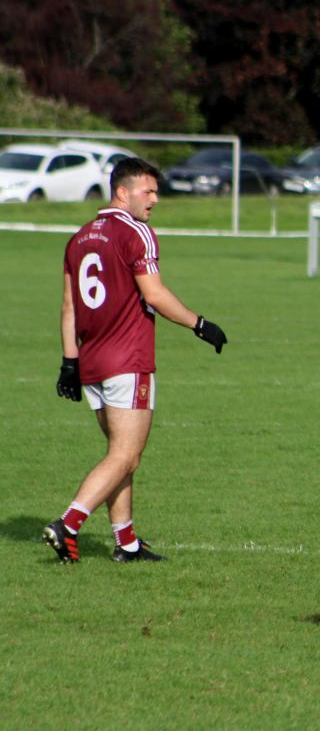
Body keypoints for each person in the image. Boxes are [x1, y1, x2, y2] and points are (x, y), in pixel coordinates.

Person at [45, 158, 227, 564]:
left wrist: (69, 363)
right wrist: (200, 324)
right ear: (122, 192)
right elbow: (155, 296)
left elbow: (68, 307)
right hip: (127, 359)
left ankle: (126, 543)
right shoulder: (137, 232)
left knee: (119, 453)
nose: (155, 200)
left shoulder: (78, 238)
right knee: (125, 455)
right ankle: (68, 523)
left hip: (91, 360)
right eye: (148, 191)